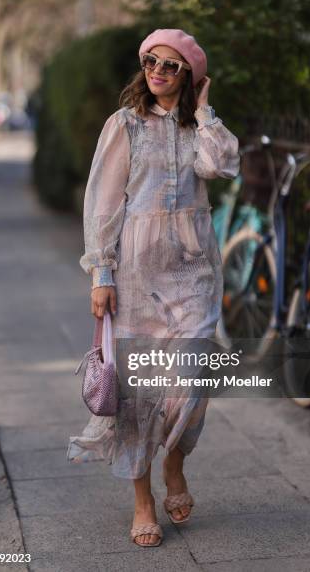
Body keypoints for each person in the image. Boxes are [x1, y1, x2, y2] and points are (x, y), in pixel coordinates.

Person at [67, 28, 240, 547]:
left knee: (192, 381)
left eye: (171, 66)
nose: (158, 72)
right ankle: (143, 502)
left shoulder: (200, 128)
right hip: (137, 274)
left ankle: (176, 465)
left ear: (190, 76)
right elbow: (103, 202)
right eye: (150, 61)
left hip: (193, 273)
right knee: (136, 396)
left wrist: (204, 111)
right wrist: (102, 273)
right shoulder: (124, 124)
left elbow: (221, 165)